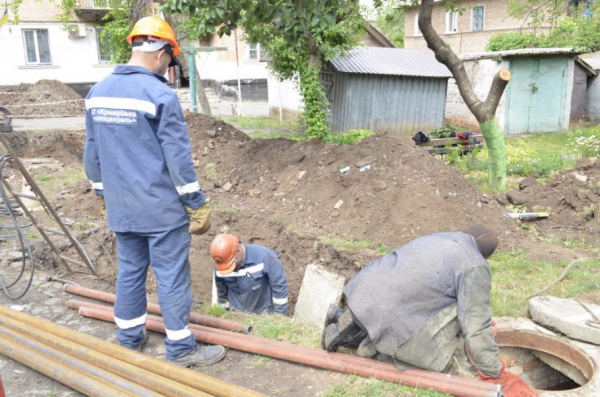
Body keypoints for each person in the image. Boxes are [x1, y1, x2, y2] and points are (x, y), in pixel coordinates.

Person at [83, 16, 226, 367]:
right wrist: (196, 203)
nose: (168, 69)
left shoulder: (96, 92)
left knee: (130, 272)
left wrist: (104, 194)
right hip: (160, 210)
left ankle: (129, 339)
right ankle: (180, 348)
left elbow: (91, 153)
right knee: (171, 275)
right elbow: (178, 160)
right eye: (169, 62)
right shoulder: (160, 94)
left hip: (122, 208)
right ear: (162, 54)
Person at [321, 225, 539, 397]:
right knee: (446, 351)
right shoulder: (474, 264)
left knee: (446, 298)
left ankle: (349, 322)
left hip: (364, 293)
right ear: (485, 256)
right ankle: (375, 349)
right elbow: (476, 326)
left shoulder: (441, 238)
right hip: (390, 314)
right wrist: (495, 375)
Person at [211, 234, 289, 315]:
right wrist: (223, 315)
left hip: (263, 314)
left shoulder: (265, 257)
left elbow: (279, 288)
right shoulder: (222, 263)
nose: (229, 268)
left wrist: (279, 316)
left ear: (238, 250)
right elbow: (222, 294)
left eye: (231, 265)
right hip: (236, 316)